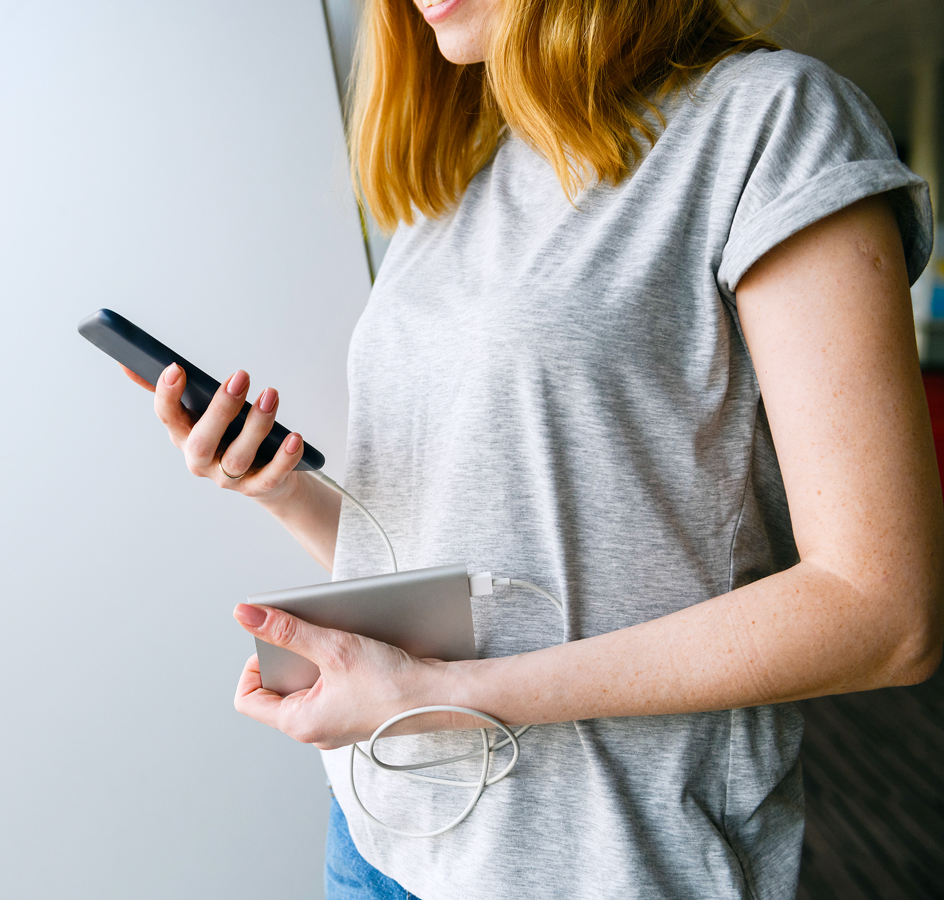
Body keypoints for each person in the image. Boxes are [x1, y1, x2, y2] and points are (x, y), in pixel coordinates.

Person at [123, 1, 943, 897]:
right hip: (377, 843)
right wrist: (279, 487)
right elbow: (466, 559)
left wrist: (441, 696)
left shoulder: (771, 121)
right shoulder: (456, 180)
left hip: (610, 865)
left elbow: (882, 614)